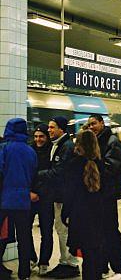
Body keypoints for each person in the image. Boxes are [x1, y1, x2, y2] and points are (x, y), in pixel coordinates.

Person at [87, 114, 121, 279]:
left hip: (107, 195)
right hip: (99, 196)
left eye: (94, 124)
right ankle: (102, 266)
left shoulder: (112, 142)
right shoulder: (98, 141)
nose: (91, 127)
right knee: (100, 233)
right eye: (89, 124)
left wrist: (90, 166)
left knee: (110, 232)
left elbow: (110, 169)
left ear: (101, 123)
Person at [37, 116, 79, 278]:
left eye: (52, 127)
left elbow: (58, 172)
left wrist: (38, 174)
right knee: (61, 229)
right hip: (59, 195)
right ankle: (65, 261)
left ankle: (70, 264)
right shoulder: (59, 145)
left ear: (61, 129)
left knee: (64, 230)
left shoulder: (66, 146)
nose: (49, 130)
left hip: (64, 196)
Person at [62, 130, 105, 280]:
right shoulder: (101, 164)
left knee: (86, 253)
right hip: (97, 215)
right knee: (95, 253)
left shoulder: (73, 164)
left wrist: (64, 214)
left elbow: (69, 192)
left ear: (78, 144)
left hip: (79, 215)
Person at [0, 118, 38, 280]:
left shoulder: (4, 148)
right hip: (23, 201)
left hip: (4, 200)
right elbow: (34, 174)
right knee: (23, 238)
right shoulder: (31, 151)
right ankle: (24, 274)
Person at [29, 124, 54, 276]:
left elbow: (52, 175)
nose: (38, 139)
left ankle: (44, 262)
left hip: (46, 197)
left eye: (41, 136)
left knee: (47, 232)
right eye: (36, 136)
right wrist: (30, 192)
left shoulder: (52, 151)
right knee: (26, 230)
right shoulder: (29, 150)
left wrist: (38, 192)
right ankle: (32, 258)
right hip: (30, 196)